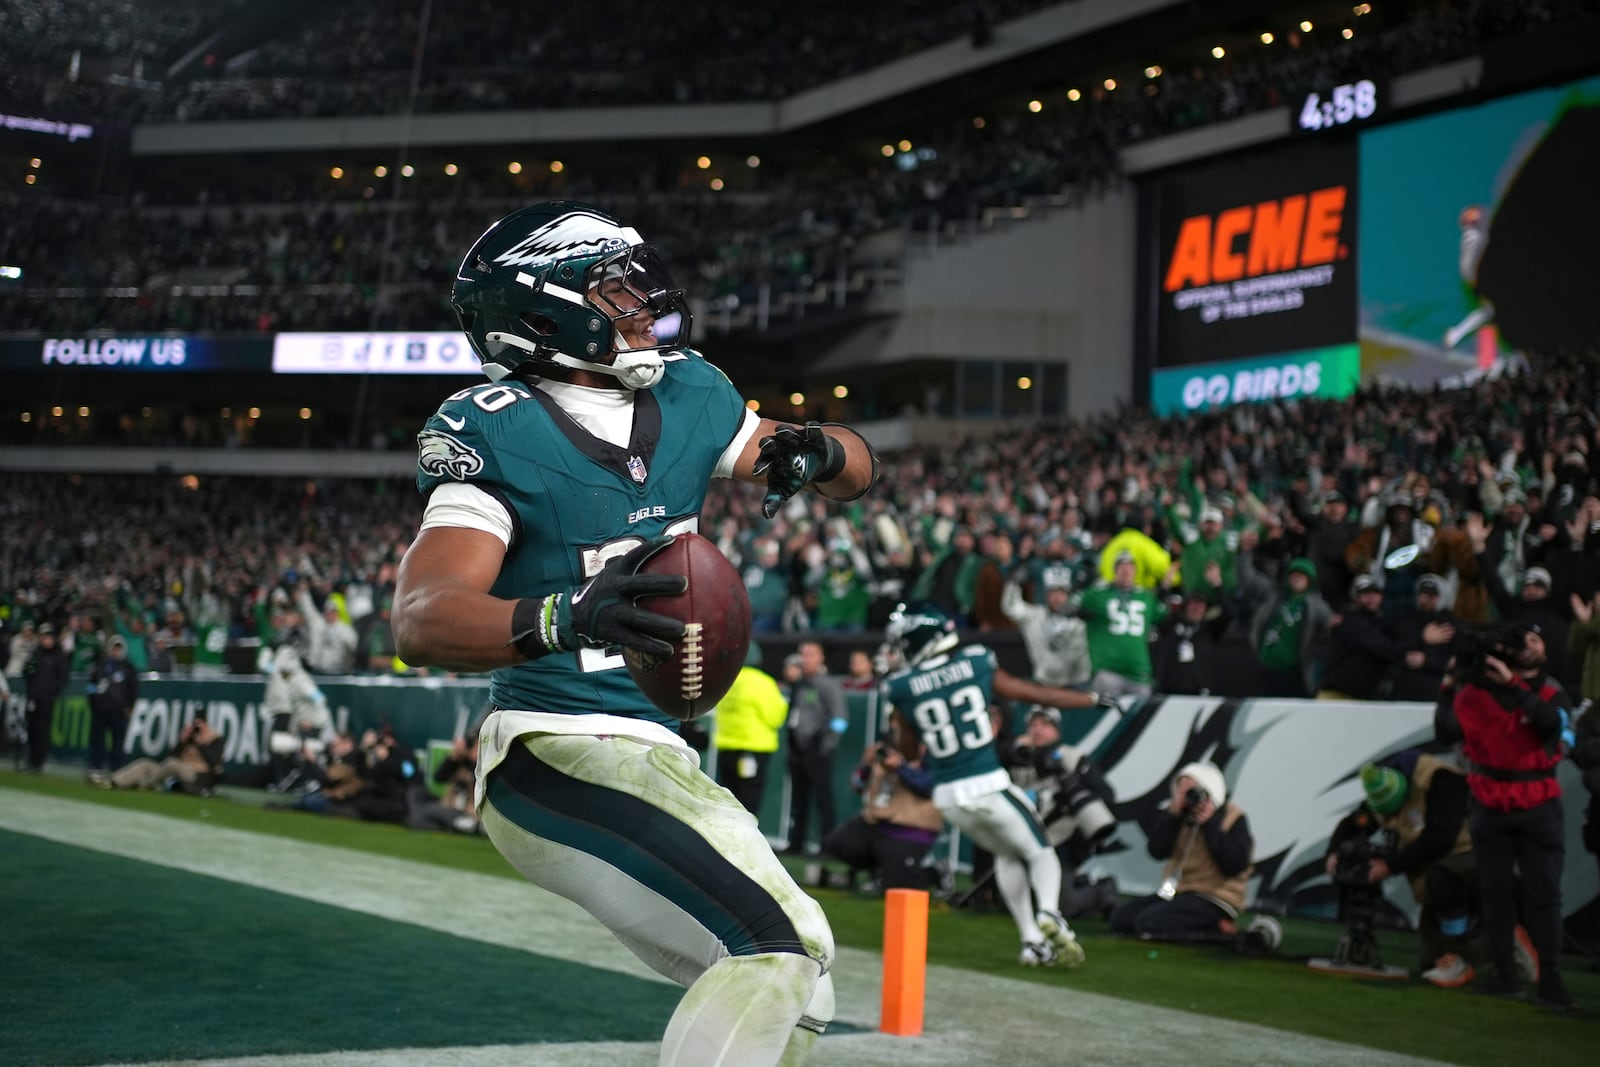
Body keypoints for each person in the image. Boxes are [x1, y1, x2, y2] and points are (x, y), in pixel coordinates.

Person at [390, 201, 878, 1065]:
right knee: (781, 942)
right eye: (614, 287)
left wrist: (820, 453)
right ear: (543, 315)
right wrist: (563, 613)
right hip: (555, 746)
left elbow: (851, 465)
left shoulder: (690, 391)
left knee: (803, 982)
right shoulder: (497, 424)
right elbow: (421, 617)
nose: (642, 301)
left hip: (654, 748)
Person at [880, 602, 1106, 968]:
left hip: (949, 797)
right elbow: (1038, 695)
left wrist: (898, 712)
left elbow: (907, 751)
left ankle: (1031, 940)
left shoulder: (901, 687)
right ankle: (1050, 913)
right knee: (1041, 850)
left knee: (1007, 852)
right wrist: (1091, 698)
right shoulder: (974, 661)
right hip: (987, 783)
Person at [1451, 621, 1577, 1008]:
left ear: (1544, 649)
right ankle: (1506, 974)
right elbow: (1446, 725)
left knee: (1544, 896)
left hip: (1538, 803)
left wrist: (1513, 684)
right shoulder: (1475, 690)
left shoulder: (1553, 691)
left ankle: (1551, 979)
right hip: (1490, 804)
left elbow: (1550, 723)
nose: (1526, 647)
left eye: (1535, 640)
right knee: (1496, 895)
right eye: (1520, 641)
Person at [1323, 755, 1483, 987]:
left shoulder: (1441, 779)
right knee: (1429, 962)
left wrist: (1390, 866)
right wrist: (1335, 851)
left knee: (1442, 880)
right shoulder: (1383, 786)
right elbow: (1355, 823)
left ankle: (1474, 950)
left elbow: (1440, 839)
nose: (1389, 819)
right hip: (1434, 877)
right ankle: (1470, 949)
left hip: (1468, 861)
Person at [1110, 761, 1255, 941]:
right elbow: (1156, 851)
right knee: (1120, 919)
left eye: (1192, 789)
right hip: (1180, 894)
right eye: (1181, 789)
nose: (1188, 796)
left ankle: (1218, 931)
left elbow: (1235, 864)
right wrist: (1173, 815)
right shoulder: (1180, 816)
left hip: (1215, 897)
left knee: (1149, 923)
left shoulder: (1233, 817)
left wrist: (1209, 823)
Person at [1005, 707, 1119, 921]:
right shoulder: (1017, 756)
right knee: (1011, 896)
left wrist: (1068, 791)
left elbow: (1106, 796)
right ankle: (1079, 883)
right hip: (1023, 837)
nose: (1037, 730)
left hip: (1062, 838)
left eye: (1045, 724)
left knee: (1061, 906)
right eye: (1033, 725)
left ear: (1057, 730)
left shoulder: (1071, 757)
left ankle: (1100, 891)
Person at [822, 727, 943, 894]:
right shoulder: (882, 758)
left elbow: (927, 787)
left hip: (910, 829)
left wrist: (901, 768)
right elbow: (858, 786)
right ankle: (880, 871)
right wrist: (865, 764)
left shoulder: (932, 756)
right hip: (875, 824)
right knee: (837, 843)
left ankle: (934, 874)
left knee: (896, 887)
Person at [784, 640, 849, 855]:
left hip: (816, 749)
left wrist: (826, 744)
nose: (805, 659)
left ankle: (828, 844)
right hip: (798, 750)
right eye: (803, 654)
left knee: (823, 799)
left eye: (810, 654)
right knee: (799, 799)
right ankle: (797, 843)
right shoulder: (801, 684)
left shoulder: (828, 684)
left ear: (821, 658)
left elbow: (840, 718)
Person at [712, 641, 789, 816]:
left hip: (727, 747)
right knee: (748, 801)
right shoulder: (763, 683)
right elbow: (775, 717)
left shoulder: (726, 680)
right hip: (753, 748)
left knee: (727, 798)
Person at [1077, 550, 1166, 699]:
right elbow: (1076, 607)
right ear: (1115, 570)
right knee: (1107, 716)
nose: (1126, 571)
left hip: (1140, 673)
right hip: (1109, 671)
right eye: (1122, 567)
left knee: (1139, 720)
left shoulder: (1146, 597)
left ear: (1135, 571)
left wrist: (1164, 590)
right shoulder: (1098, 595)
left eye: (1130, 567)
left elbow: (1163, 617)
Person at [1000, 571, 1091, 689]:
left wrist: (1085, 614)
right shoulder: (1034, 616)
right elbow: (1010, 608)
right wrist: (1013, 584)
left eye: (1061, 593)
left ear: (1068, 595)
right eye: (1052, 593)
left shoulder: (1080, 620)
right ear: (1046, 596)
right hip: (1044, 683)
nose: (1057, 598)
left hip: (1077, 684)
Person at [1318, 575, 1403, 700]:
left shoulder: (1382, 624)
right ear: (1355, 598)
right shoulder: (1348, 620)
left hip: (1362, 697)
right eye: (1365, 594)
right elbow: (1380, 647)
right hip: (1336, 693)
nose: (1371, 598)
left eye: (1375, 593)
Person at [105, 714, 224, 794]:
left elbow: (214, 762)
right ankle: (112, 781)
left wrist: (201, 744)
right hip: (171, 772)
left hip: (196, 775)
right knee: (145, 763)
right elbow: (172, 756)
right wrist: (182, 741)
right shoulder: (190, 738)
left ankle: (147, 783)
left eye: (201, 725)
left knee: (172, 764)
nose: (197, 728)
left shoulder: (215, 739)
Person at [85, 635, 138, 785]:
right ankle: (96, 768)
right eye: (114, 648)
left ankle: (116, 771)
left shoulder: (128, 668)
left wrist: (130, 706)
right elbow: (91, 686)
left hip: (118, 711)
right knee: (97, 741)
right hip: (100, 711)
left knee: (117, 743)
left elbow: (133, 689)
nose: (116, 651)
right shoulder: (100, 666)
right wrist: (93, 703)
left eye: (118, 648)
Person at [21, 623, 68, 773]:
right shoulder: (36, 654)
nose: (46, 641)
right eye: (44, 638)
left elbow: (63, 678)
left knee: (42, 731)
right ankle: (30, 759)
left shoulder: (58, 656)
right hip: (33, 698)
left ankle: (38, 762)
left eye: (49, 638)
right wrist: (29, 666)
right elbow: (27, 672)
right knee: (31, 729)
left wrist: (52, 692)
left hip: (47, 700)